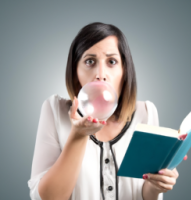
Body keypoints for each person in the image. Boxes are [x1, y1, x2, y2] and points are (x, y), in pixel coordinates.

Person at [27, 22, 179, 200]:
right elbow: (47, 198)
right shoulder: (54, 111)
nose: (100, 74)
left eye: (112, 62)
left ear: (125, 70)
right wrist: (78, 136)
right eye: (90, 61)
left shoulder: (146, 113)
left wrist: (156, 186)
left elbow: (144, 194)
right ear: (76, 72)